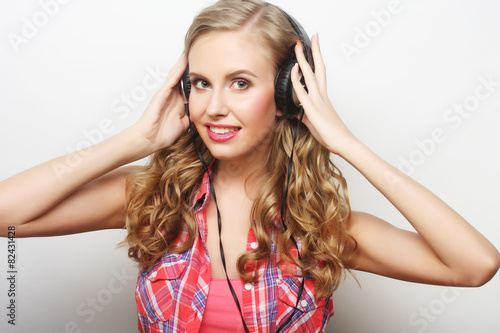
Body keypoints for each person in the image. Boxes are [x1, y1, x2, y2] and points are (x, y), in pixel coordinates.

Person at [0, 0, 499, 332]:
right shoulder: (153, 199)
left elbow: (474, 265)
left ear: (286, 95)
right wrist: (135, 140)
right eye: (200, 83)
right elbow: (6, 215)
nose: (214, 106)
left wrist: (346, 143)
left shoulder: (324, 231)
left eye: (240, 82)